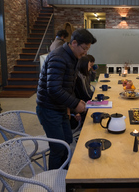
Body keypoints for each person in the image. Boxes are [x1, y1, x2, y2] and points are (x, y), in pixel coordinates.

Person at [36, 28, 97, 170]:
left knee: (67, 141)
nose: (85, 53)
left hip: (61, 107)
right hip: (49, 108)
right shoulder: (59, 57)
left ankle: (65, 174)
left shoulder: (72, 57)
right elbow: (54, 89)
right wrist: (75, 104)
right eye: (84, 48)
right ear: (74, 43)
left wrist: (70, 108)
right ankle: (54, 180)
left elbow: (68, 87)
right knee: (58, 148)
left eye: (87, 49)